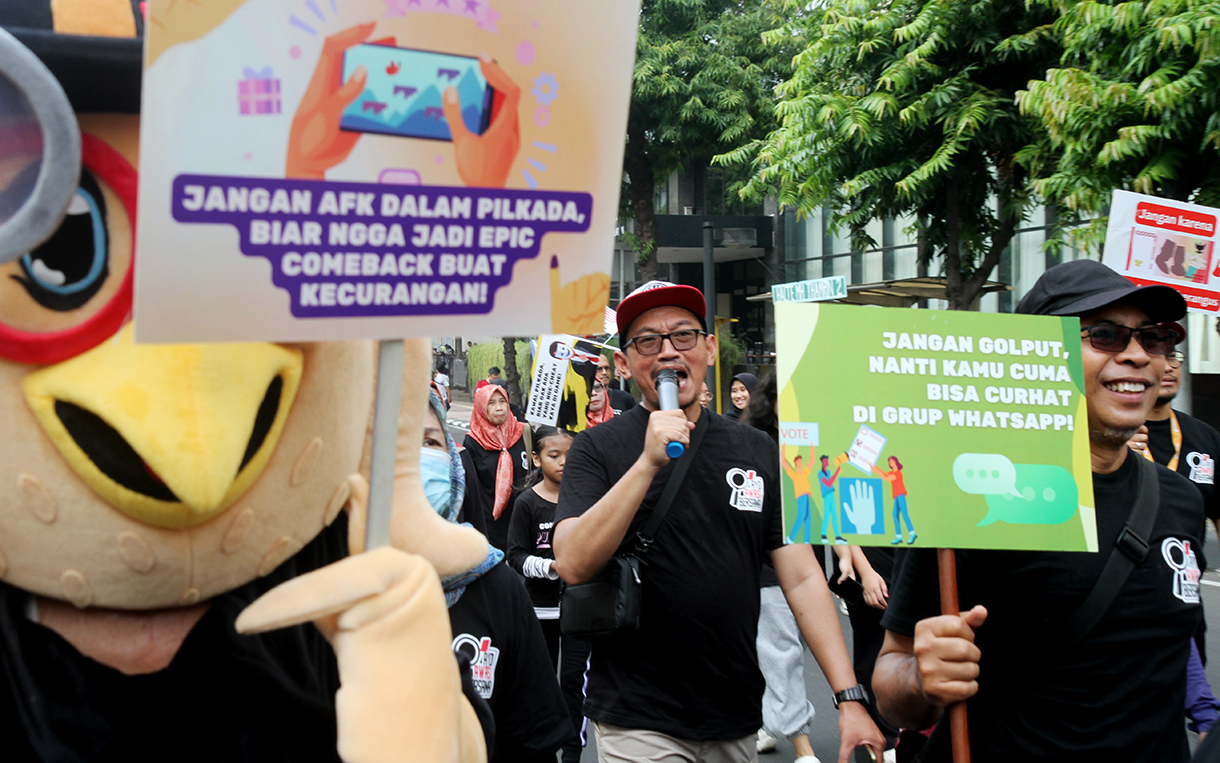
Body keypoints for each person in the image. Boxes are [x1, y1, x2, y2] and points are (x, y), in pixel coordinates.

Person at [874, 259, 1204, 761]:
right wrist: (922, 679)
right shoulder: (973, 499)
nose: (1138, 355)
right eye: (1106, 335)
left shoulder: (1182, 499)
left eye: (1153, 337)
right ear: (1037, 356)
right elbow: (892, 678)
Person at [554, 280, 884, 763]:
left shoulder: (756, 449)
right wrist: (646, 463)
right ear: (624, 364)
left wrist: (848, 697)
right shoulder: (596, 448)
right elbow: (572, 561)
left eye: (683, 336)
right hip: (637, 714)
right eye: (648, 340)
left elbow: (802, 576)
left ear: (709, 349)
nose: (667, 352)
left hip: (734, 715)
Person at [423, 391, 574, 763]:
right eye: (393, 438)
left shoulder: (496, 590)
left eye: (429, 441)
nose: (412, 457)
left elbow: (531, 739)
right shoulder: (321, 597)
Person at [742, 370, 824, 763]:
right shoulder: (755, 446)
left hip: (808, 561)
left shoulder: (817, 443)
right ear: (770, 402)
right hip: (766, 566)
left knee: (780, 648)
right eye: (785, 398)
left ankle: (761, 723)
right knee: (782, 651)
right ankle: (802, 743)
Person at [506, 426, 592, 763]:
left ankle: (573, 751)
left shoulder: (587, 499)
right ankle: (541, 750)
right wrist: (553, 567)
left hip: (579, 611)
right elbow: (514, 555)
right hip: (539, 612)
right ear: (537, 459)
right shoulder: (526, 503)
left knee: (573, 681)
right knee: (539, 685)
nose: (563, 463)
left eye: (570, 455)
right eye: (554, 456)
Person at [463, 383, 530, 551]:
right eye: (491, 403)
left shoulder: (523, 433)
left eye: (502, 401)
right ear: (481, 407)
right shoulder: (473, 441)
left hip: (523, 519)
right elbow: (471, 487)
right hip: (489, 526)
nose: (499, 408)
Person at [872, 456, 916, 545]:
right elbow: (885, 473)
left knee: (904, 514)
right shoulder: (892, 472)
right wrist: (875, 467)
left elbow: (886, 478)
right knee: (894, 514)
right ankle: (899, 536)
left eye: (891, 461)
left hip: (901, 495)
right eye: (889, 462)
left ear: (896, 461)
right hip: (896, 496)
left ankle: (912, 533)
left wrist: (874, 470)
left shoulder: (898, 473)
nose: (890, 463)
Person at [818, 455, 847, 545]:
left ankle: (837, 536)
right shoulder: (820, 473)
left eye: (827, 461)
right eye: (825, 461)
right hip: (826, 494)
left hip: (831, 493)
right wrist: (837, 472)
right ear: (822, 462)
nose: (827, 462)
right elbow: (828, 482)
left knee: (834, 515)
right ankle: (823, 534)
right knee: (826, 514)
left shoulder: (829, 472)